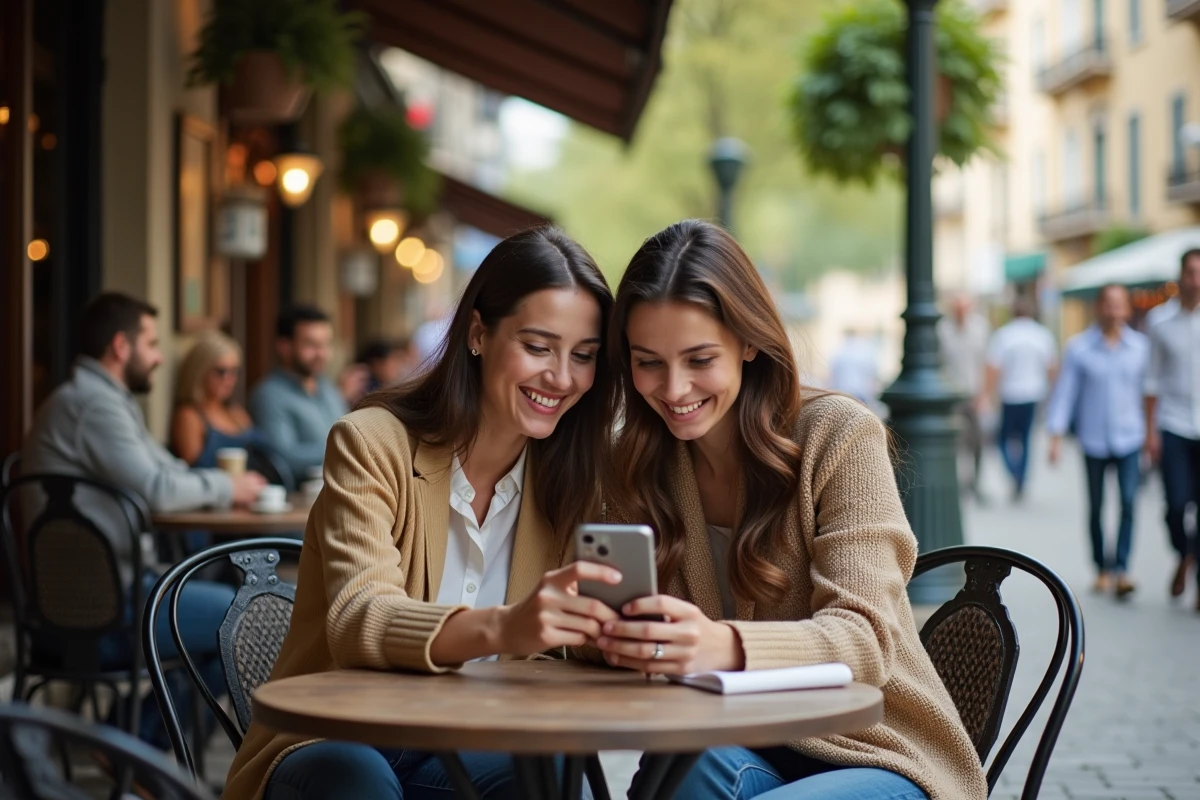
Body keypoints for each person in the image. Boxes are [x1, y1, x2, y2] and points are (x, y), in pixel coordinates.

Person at [225, 227, 623, 800]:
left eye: (584, 356)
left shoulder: (574, 479)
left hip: (473, 742)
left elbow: (560, 652)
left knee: (555, 783)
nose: (562, 378)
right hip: (339, 738)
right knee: (358, 783)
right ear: (479, 333)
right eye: (538, 347)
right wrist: (504, 626)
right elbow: (360, 618)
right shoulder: (371, 443)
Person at [594, 220, 986, 800]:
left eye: (700, 359)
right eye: (648, 362)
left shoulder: (838, 435)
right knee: (677, 771)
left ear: (749, 342)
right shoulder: (639, 462)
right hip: (734, 746)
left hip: (877, 754)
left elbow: (866, 641)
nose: (673, 389)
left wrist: (722, 644)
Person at [21, 293, 265, 747]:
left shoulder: (100, 398)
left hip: (111, 596)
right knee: (249, 613)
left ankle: (130, 744)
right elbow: (158, 489)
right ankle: (132, 747)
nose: (158, 358)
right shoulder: (93, 405)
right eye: (151, 344)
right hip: (97, 614)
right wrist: (228, 488)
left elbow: (165, 470)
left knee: (238, 612)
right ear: (120, 346)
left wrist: (213, 483)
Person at [1045, 285, 1148, 597]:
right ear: (1098, 308)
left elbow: (1151, 392)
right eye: (1108, 305)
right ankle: (1102, 568)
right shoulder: (1079, 348)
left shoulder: (1141, 347)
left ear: (1127, 309)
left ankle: (1123, 568)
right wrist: (1055, 434)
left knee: (1129, 502)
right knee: (1097, 506)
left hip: (1131, 437)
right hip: (1094, 440)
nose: (1113, 311)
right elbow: (1065, 393)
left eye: (1119, 305)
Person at [249, 306, 366, 479]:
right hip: (300, 500)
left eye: (326, 344)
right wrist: (346, 448)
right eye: (311, 345)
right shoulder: (269, 395)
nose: (322, 353)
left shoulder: (327, 388)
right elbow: (284, 457)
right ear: (284, 347)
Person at [1144, 248, 1200, 608]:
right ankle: (1184, 554)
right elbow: (1151, 380)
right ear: (1181, 275)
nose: (1197, 279)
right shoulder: (1159, 322)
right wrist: (1149, 432)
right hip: (1174, 424)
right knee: (1176, 505)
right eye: (1192, 272)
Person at [983, 296, 1057, 501]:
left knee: (1003, 439)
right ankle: (1021, 477)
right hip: (1033, 394)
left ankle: (1015, 473)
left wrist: (987, 395)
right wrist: (1052, 394)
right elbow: (1051, 367)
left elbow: (993, 368)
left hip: (1010, 394)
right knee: (1025, 439)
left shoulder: (1004, 336)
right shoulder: (1042, 335)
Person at [171, 331, 265, 467]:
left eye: (234, 371)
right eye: (221, 372)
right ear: (200, 371)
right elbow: (195, 469)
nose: (229, 380)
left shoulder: (235, 412)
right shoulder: (189, 416)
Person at [938, 292, 991, 503]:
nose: (961, 312)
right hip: (951, 396)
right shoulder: (942, 330)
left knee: (977, 442)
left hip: (974, 394)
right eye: (957, 308)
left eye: (965, 308)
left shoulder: (980, 328)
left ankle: (975, 484)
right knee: (954, 444)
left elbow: (987, 363)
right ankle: (956, 484)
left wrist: (985, 395)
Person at [826, 329, 879, 405]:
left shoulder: (838, 352)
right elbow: (871, 376)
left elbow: (832, 376)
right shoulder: (865, 351)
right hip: (861, 393)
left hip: (841, 392)